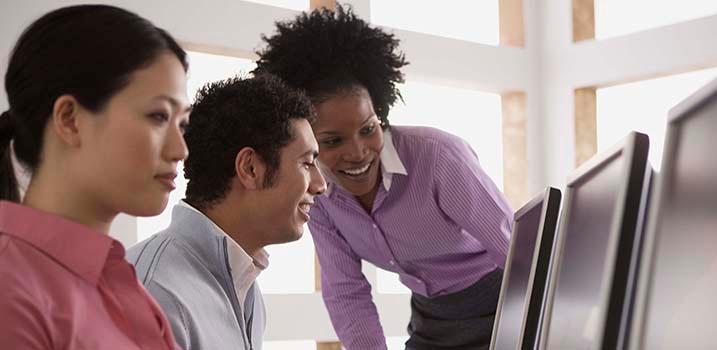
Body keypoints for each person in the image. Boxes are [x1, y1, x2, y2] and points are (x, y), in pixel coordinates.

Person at [255, 6, 514, 350]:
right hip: (432, 319)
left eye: (368, 129)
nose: (359, 152)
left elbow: (516, 251)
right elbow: (347, 293)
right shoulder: (318, 197)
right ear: (307, 140)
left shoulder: (438, 157)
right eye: (333, 141)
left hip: (502, 302)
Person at [0, 5, 189, 349]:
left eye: (183, 124)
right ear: (70, 119)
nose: (180, 150)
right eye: (158, 116)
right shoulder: (10, 291)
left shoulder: (120, 279)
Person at [127, 75, 327, 350]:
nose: (321, 185)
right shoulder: (154, 293)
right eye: (307, 163)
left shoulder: (245, 287)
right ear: (250, 169)